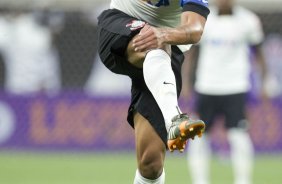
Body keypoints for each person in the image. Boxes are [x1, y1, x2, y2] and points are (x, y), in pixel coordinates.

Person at [97, 0, 210, 183]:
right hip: (121, 23)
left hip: (166, 48)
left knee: (151, 164)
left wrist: (163, 34)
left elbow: (195, 29)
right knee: (154, 41)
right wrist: (159, 36)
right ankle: (174, 119)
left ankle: (173, 121)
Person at [186, 0, 267, 184]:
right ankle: (200, 181)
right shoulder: (204, 20)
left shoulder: (248, 20)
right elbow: (193, 53)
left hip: (235, 86)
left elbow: (259, 52)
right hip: (207, 86)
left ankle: (243, 181)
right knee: (198, 138)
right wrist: (187, 82)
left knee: (239, 136)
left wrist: (265, 81)